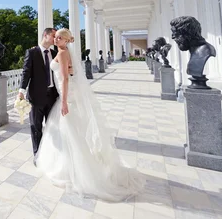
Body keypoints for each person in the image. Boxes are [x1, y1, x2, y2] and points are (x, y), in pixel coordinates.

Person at [35, 28, 145, 201]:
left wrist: (63, 101)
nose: (56, 40)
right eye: (55, 37)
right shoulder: (63, 52)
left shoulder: (62, 53)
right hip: (69, 92)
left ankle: (74, 168)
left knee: (68, 129)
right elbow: (68, 73)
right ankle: (74, 164)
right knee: (71, 129)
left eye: (59, 38)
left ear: (65, 40)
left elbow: (64, 78)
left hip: (68, 94)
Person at [18, 28, 58, 161]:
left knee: (53, 126)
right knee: (36, 127)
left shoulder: (55, 52)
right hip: (36, 97)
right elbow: (26, 73)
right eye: (53, 36)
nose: (55, 38)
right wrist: (21, 91)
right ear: (45, 35)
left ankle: (52, 152)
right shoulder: (32, 52)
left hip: (53, 96)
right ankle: (38, 154)